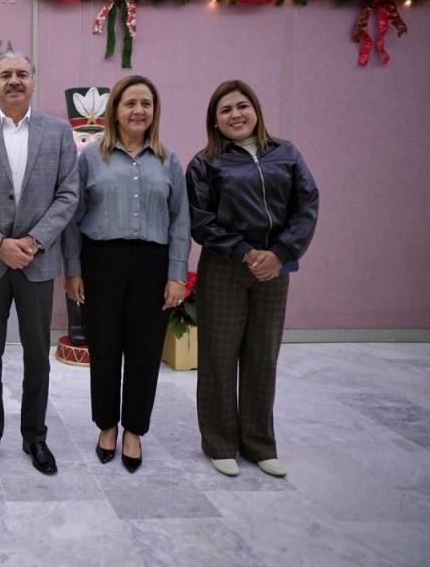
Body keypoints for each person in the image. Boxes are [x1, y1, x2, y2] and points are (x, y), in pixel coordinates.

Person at [0, 52, 78, 477]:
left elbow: (68, 195)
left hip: (37, 263)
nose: (14, 80)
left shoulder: (58, 132)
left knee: (38, 356)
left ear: (33, 81)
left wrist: (34, 241)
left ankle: (34, 436)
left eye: (22, 73)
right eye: (5, 74)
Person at [186, 79, 319, 478]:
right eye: (225, 110)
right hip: (226, 267)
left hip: (274, 266)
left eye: (242, 106)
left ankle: (260, 444)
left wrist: (281, 253)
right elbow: (201, 221)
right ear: (215, 121)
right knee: (218, 356)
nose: (236, 115)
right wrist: (244, 252)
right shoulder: (205, 163)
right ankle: (220, 443)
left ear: (256, 110)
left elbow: (307, 204)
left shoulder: (286, 153)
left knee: (263, 356)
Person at [63, 74, 190, 473]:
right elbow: (72, 218)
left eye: (146, 104)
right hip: (101, 263)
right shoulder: (90, 158)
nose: (138, 110)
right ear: (115, 110)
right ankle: (107, 426)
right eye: (130, 103)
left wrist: (177, 274)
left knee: (145, 352)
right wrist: (73, 269)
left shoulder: (168, 160)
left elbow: (180, 221)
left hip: (152, 265)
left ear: (155, 111)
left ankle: (134, 430)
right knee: (104, 349)